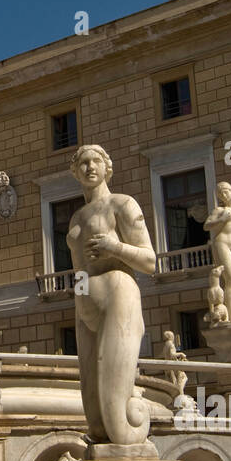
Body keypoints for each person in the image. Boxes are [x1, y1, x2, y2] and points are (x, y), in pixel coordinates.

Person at [65, 144, 158, 445]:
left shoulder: (123, 204)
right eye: (83, 163)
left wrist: (114, 248)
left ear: (107, 167)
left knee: (118, 420)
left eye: (96, 162)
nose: (90, 167)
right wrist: (79, 300)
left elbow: (149, 261)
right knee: (95, 420)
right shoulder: (76, 218)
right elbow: (79, 268)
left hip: (118, 297)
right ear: (75, 172)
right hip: (85, 305)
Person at [204, 181, 231, 323]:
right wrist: (222, 219)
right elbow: (207, 225)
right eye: (220, 193)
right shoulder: (218, 210)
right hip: (222, 243)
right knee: (230, 278)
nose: (224, 194)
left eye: (225, 191)